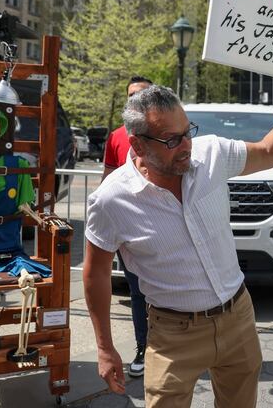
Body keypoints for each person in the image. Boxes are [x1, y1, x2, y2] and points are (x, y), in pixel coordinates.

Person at [83, 70, 273, 407]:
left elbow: (270, 151)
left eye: (187, 133)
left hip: (237, 317)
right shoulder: (111, 200)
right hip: (172, 334)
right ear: (138, 143)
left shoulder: (210, 153)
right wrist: (105, 348)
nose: (186, 147)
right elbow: (95, 274)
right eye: (172, 140)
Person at [99, 76, 152, 377]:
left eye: (142, 95)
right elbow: (107, 179)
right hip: (127, 229)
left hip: (162, 225)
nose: (136, 99)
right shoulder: (116, 136)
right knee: (137, 292)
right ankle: (143, 347)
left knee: (166, 291)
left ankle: (173, 349)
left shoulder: (164, 133)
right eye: (131, 95)